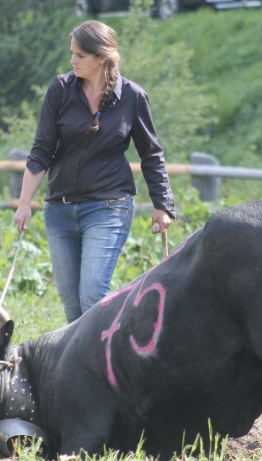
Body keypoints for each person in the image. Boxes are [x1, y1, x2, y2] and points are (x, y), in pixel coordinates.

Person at [13, 21, 176, 324]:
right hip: (59, 210)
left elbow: (151, 154)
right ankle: (81, 370)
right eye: (72, 53)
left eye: (80, 55)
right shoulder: (60, 90)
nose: (72, 60)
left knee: (92, 296)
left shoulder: (132, 96)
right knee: (72, 305)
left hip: (108, 206)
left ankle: (103, 368)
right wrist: (24, 203)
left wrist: (163, 205)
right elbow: (41, 151)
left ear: (102, 57)